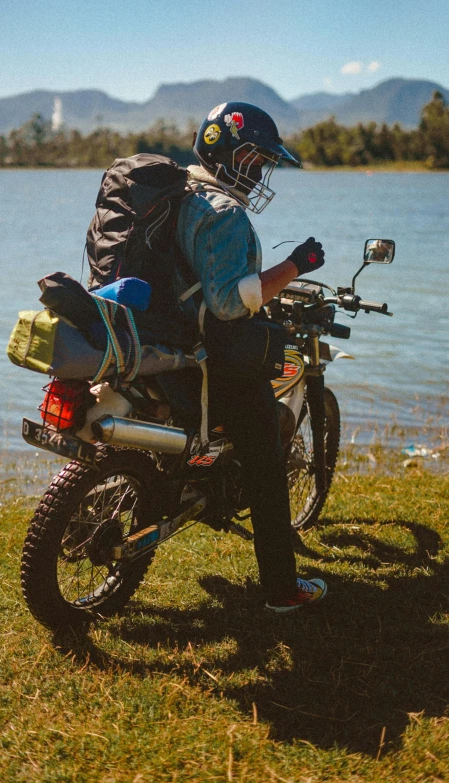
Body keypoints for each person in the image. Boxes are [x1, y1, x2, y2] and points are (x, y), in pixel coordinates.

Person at [173, 102, 328, 612]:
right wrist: (294, 266)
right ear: (227, 151)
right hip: (213, 360)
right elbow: (227, 300)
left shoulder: (179, 190)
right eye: (255, 160)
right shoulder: (223, 211)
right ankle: (283, 591)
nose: (260, 172)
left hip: (170, 345)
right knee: (267, 460)